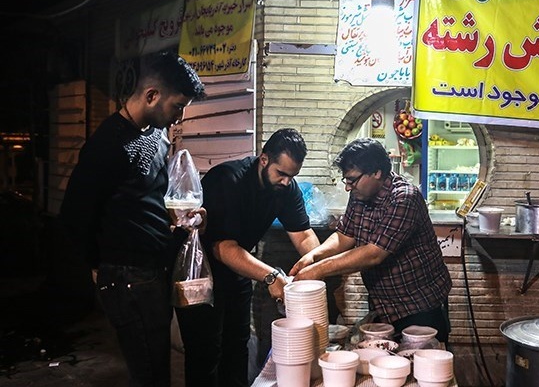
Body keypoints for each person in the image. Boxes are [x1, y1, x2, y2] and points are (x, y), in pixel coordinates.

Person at [59, 51, 206, 387]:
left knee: (158, 368)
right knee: (150, 374)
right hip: (126, 276)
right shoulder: (106, 145)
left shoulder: (157, 136)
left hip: (154, 271)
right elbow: (74, 215)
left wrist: (179, 218)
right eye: (177, 106)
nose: (179, 117)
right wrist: (98, 265)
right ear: (152, 95)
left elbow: (148, 199)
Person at [175, 128, 321, 387]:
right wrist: (271, 277)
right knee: (205, 352)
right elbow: (222, 247)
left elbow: (303, 235)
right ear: (264, 159)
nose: (286, 182)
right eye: (281, 173)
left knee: (236, 347)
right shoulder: (228, 180)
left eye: (292, 176)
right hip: (201, 274)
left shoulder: (286, 189)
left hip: (237, 270)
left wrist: (317, 269)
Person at [290, 138, 452, 343]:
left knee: (418, 359)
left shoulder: (404, 198)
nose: (348, 187)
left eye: (352, 180)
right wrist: (313, 256)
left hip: (419, 304)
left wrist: (318, 270)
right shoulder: (360, 193)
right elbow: (344, 235)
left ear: (377, 172)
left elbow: (374, 254)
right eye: (346, 181)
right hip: (383, 304)